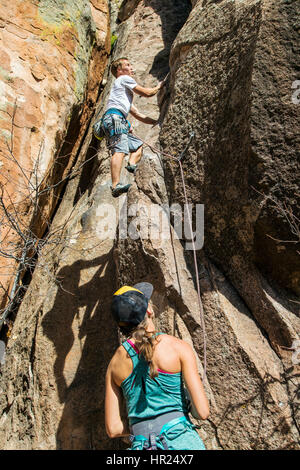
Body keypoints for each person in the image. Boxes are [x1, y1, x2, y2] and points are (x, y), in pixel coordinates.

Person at [105, 283, 210, 450]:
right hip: (181, 441)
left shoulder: (114, 364)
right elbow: (202, 412)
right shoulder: (177, 347)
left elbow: (114, 428)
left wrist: (144, 428)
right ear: (149, 311)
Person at [102, 58, 164, 198]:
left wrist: (158, 121)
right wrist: (159, 87)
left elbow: (138, 115)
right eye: (128, 65)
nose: (131, 68)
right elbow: (146, 93)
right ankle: (115, 185)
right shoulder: (123, 79)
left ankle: (131, 163)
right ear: (119, 70)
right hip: (115, 118)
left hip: (116, 119)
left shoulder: (122, 95)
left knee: (137, 145)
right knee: (119, 151)